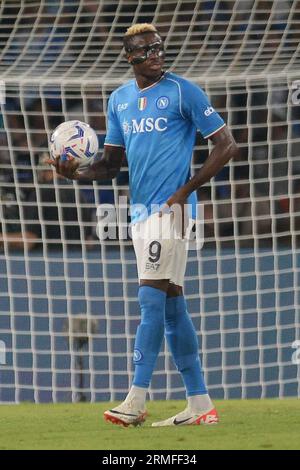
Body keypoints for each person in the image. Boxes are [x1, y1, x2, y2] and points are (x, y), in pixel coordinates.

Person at [50, 23, 238, 427]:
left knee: (150, 301)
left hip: (170, 211)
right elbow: (111, 165)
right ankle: (200, 403)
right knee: (171, 305)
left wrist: (184, 192)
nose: (156, 54)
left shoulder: (183, 91)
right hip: (140, 213)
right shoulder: (118, 100)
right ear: (129, 57)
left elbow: (227, 145)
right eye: (146, 50)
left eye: (158, 47)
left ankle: (135, 400)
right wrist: (74, 175)